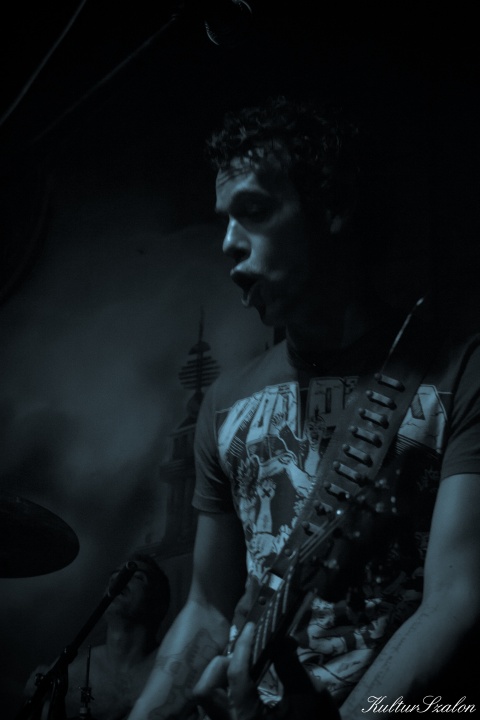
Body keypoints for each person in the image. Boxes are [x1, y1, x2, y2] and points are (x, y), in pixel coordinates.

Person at [128, 95, 480, 719]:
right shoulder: (225, 404)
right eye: (224, 221)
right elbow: (208, 606)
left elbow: (455, 598)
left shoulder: (458, 369)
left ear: (333, 207)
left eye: (255, 212)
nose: (228, 243)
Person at [23, 553, 170, 720]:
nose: (119, 580)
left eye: (137, 577)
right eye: (115, 576)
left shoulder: (172, 669)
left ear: (160, 604)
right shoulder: (71, 670)